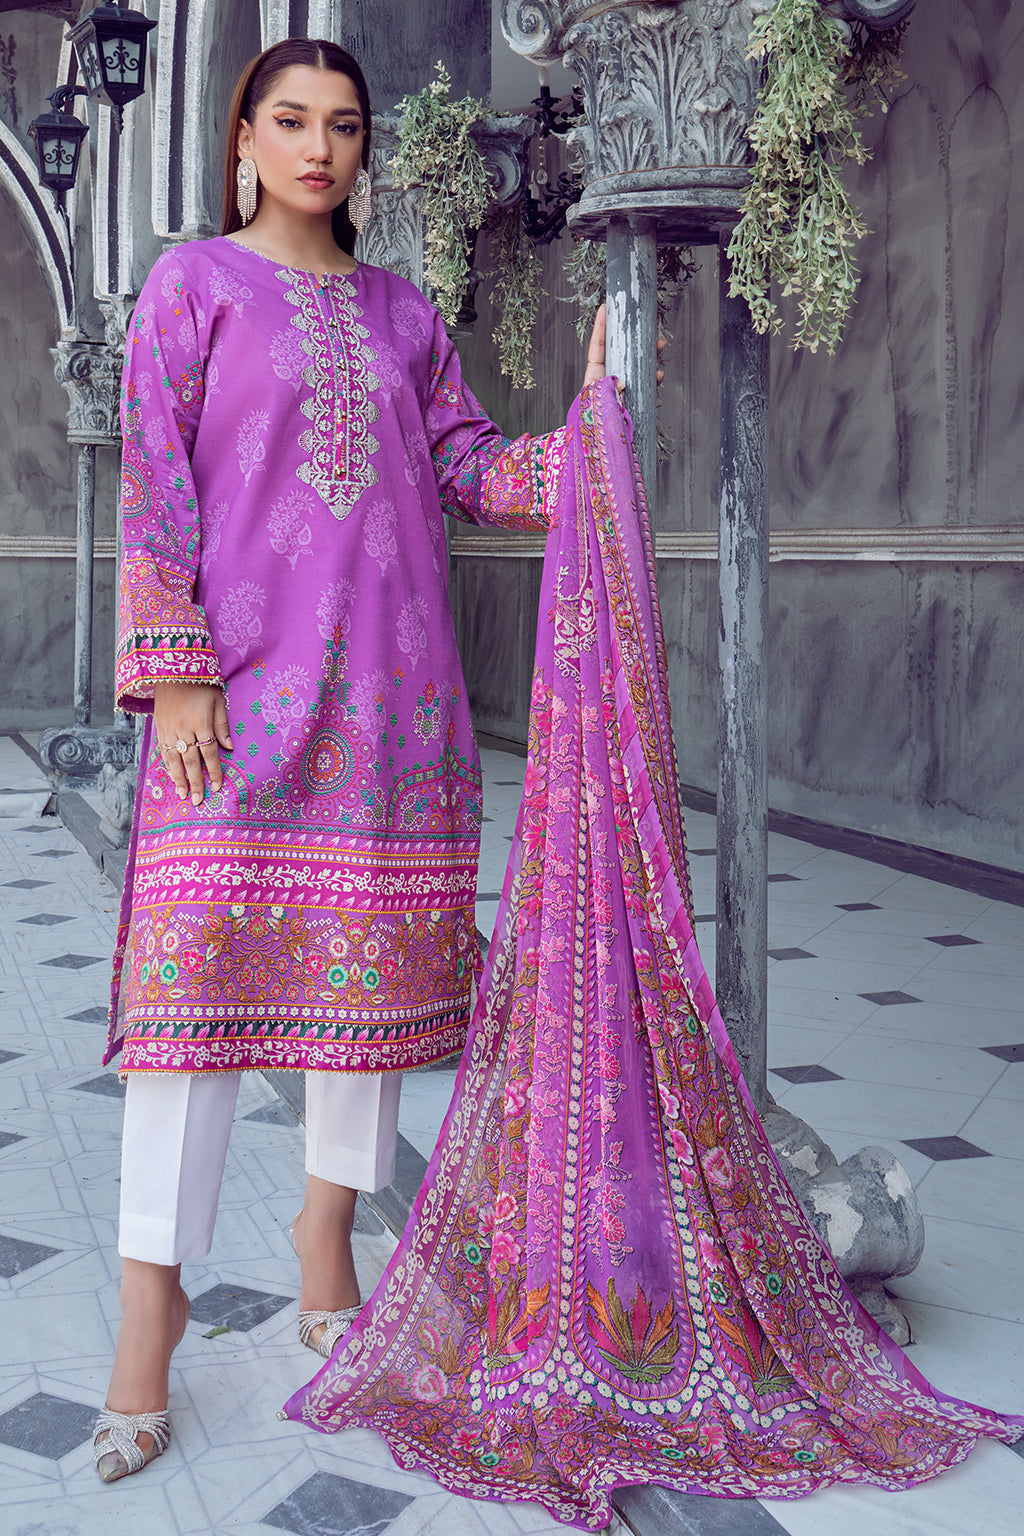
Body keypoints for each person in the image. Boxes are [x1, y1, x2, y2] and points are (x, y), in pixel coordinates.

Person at [94, 36, 612, 1482]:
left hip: (394, 706)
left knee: (362, 996)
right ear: (243, 140)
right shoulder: (190, 287)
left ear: (365, 148)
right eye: (290, 121)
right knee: (187, 1007)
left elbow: (469, 467)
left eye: (342, 125)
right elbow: (154, 486)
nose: (318, 148)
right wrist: (174, 670)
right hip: (233, 701)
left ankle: (329, 1242)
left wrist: (586, 436)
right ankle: (150, 1308)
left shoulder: (403, 312)